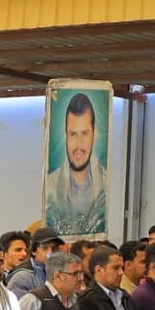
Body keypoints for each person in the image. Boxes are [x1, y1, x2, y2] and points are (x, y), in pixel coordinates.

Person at [41, 90, 108, 237]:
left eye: (84, 134)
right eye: (73, 134)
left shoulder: (107, 184)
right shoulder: (51, 186)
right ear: (66, 135)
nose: (78, 144)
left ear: (94, 134)